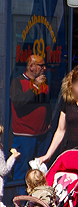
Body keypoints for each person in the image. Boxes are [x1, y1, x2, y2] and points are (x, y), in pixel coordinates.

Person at [34, 66, 78, 170]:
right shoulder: (67, 101)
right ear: (71, 85)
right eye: (77, 86)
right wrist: (48, 155)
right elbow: (60, 130)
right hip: (68, 152)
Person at [9, 55, 52, 184]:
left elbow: (47, 104)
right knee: (22, 170)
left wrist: (49, 122)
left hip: (43, 135)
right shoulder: (17, 82)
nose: (44, 68)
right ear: (31, 66)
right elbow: (18, 102)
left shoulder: (44, 82)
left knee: (40, 171)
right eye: (41, 65)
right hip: (25, 135)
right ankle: (20, 196)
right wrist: (35, 86)